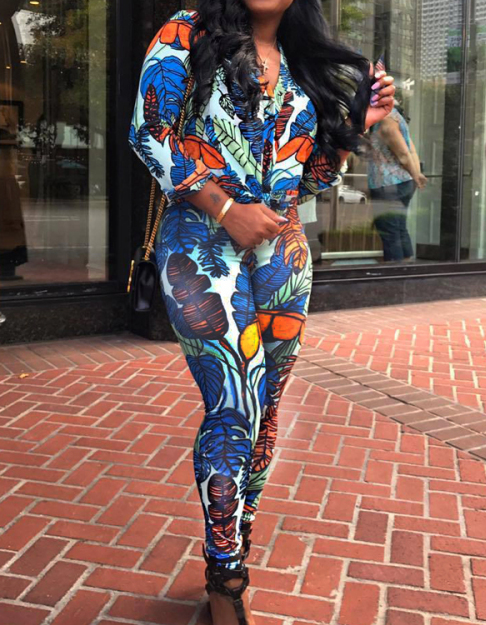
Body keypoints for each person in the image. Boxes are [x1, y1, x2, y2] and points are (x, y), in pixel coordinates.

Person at [129, 2, 395, 623]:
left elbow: (307, 180)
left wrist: (356, 124)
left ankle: (234, 543)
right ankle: (226, 580)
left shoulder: (301, 59)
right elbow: (148, 133)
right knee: (235, 405)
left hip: (283, 252)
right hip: (199, 240)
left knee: (265, 412)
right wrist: (226, 209)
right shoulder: (187, 30)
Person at [368, 102, 427, 262]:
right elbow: (411, 151)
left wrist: (416, 176)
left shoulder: (386, 122)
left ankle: (395, 273)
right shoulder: (397, 117)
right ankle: (406, 270)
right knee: (399, 228)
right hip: (403, 182)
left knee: (390, 232)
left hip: (388, 184)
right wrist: (416, 175)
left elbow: (403, 154)